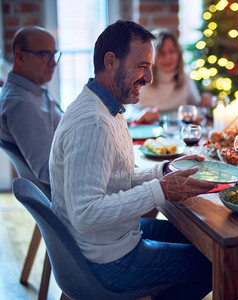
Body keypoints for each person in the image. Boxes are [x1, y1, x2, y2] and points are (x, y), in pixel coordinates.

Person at [50, 20, 216, 299]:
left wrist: (163, 170)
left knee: (205, 243)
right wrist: (160, 190)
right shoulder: (94, 123)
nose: (149, 78)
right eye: (142, 66)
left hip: (112, 239)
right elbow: (86, 214)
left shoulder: (104, 107)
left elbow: (117, 178)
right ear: (111, 61)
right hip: (106, 260)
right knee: (214, 264)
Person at [0, 26, 62, 186]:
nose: (53, 63)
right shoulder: (21, 104)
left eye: (54, 55)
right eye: (45, 55)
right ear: (20, 57)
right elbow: (47, 171)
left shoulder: (32, 90)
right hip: (70, 197)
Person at [125, 28, 211, 124]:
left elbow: (198, 108)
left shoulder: (185, 78)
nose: (168, 58)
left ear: (178, 54)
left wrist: (205, 101)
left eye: (172, 51)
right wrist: (140, 115)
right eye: (162, 53)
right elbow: (127, 114)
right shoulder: (141, 80)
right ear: (151, 56)